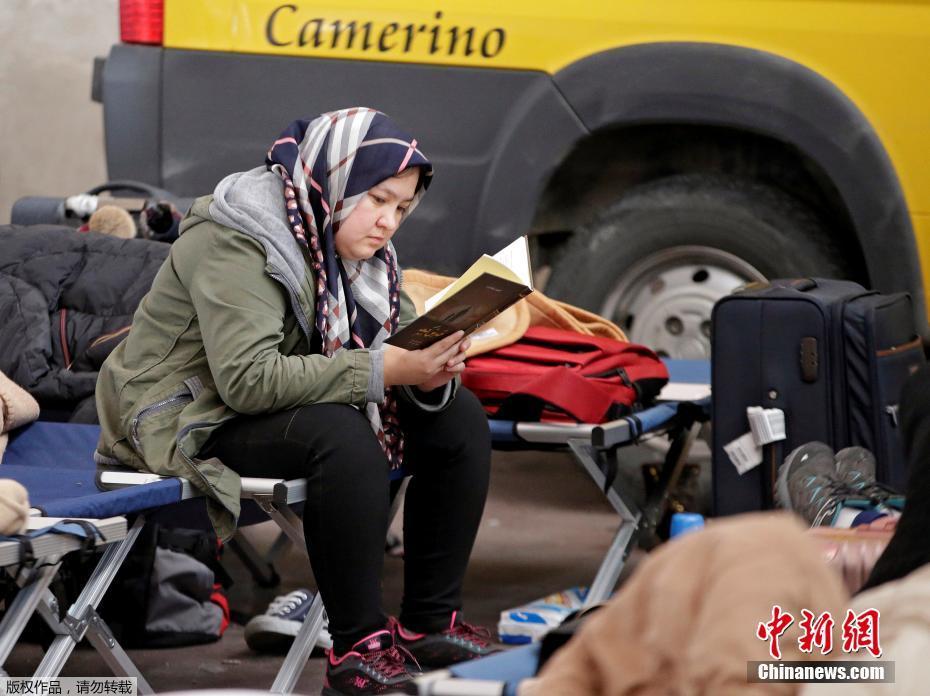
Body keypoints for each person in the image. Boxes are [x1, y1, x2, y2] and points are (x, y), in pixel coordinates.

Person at [94, 108, 495, 695]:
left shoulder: (356, 247)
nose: (387, 223)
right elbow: (247, 380)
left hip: (270, 402)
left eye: (402, 209)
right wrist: (387, 369)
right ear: (334, 182)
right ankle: (356, 648)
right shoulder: (240, 236)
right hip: (182, 416)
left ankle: (427, 624)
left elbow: (393, 343)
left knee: (456, 417)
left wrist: (429, 372)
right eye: (378, 199)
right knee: (342, 438)